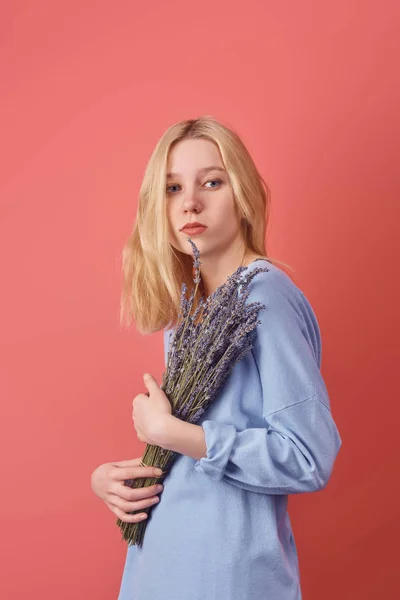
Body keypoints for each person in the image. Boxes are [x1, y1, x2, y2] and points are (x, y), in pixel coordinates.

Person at [91, 115, 342, 600]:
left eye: (212, 182)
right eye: (172, 187)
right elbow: (195, 454)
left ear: (243, 194)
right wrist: (115, 482)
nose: (190, 202)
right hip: (156, 567)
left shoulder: (264, 295)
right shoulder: (188, 309)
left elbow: (310, 458)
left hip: (226, 578)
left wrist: (172, 433)